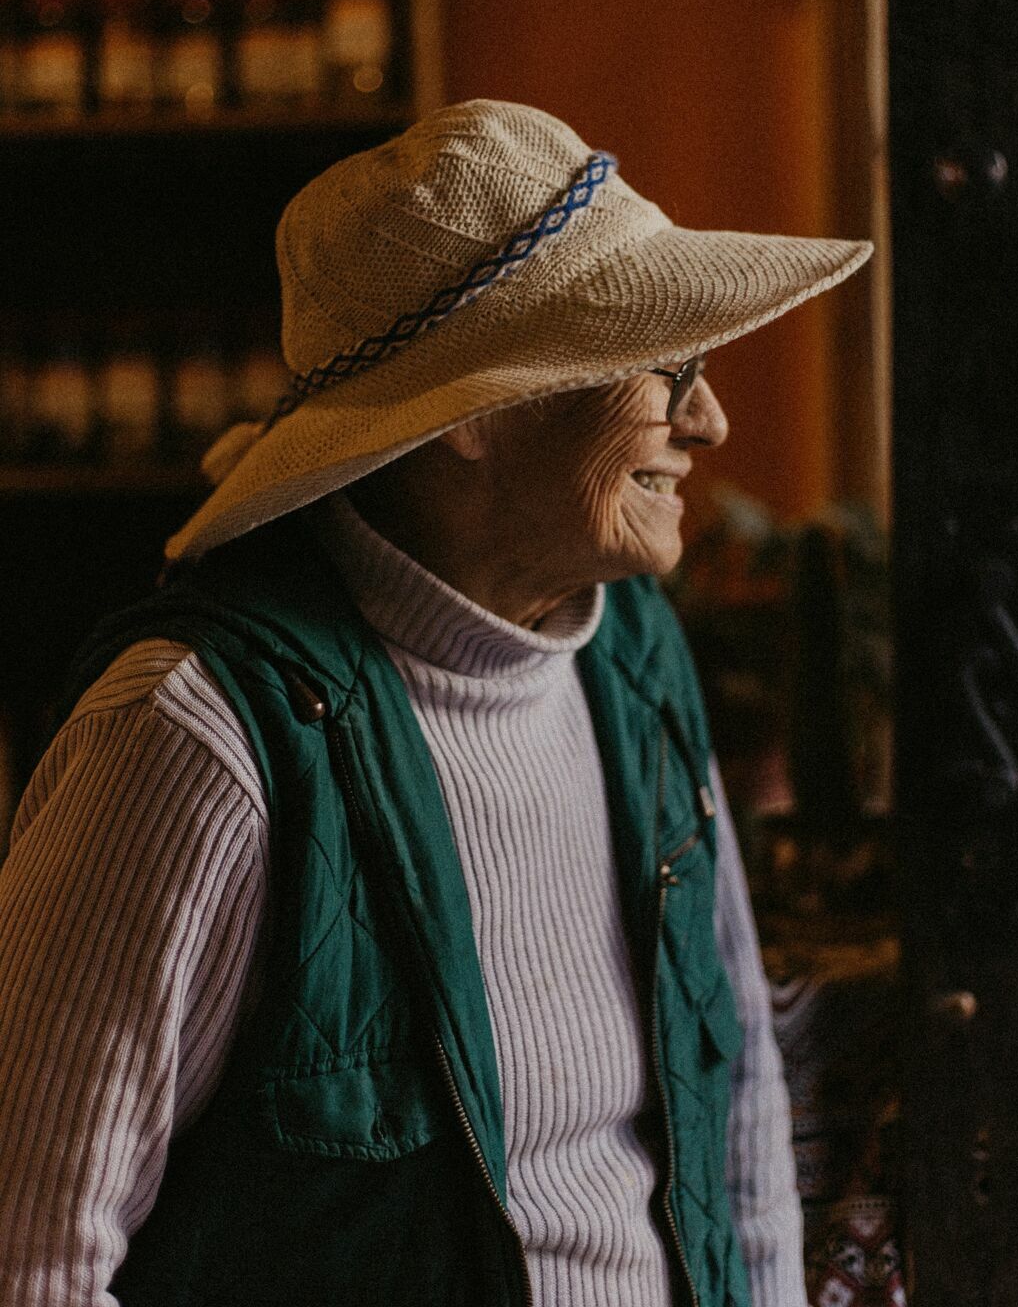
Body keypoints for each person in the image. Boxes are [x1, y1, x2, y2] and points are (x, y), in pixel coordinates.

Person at [0, 100, 870, 1307]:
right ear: (479, 412)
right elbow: (34, 1252)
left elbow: (738, 1108)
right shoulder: (195, 735)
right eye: (666, 365)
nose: (709, 420)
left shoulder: (635, 658)